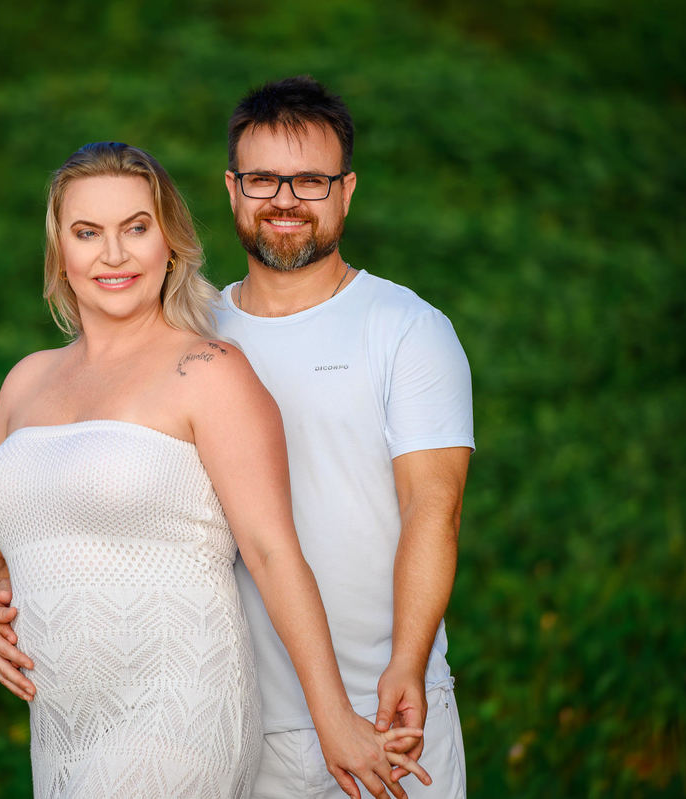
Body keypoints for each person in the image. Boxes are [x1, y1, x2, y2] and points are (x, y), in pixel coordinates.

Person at [0, 141, 428, 799]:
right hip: (63, 725)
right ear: (60, 251)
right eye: (87, 233)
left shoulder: (207, 371)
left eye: (135, 228)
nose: (113, 254)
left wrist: (334, 717)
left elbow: (272, 552)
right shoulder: (25, 381)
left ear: (169, 243)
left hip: (179, 710)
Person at [214, 76, 475, 799]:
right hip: (233, 717)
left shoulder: (406, 328)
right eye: (263, 179)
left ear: (346, 191)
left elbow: (433, 508)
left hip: (388, 705)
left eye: (311, 181)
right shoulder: (192, 331)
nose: (285, 200)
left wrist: (408, 662)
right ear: (233, 189)